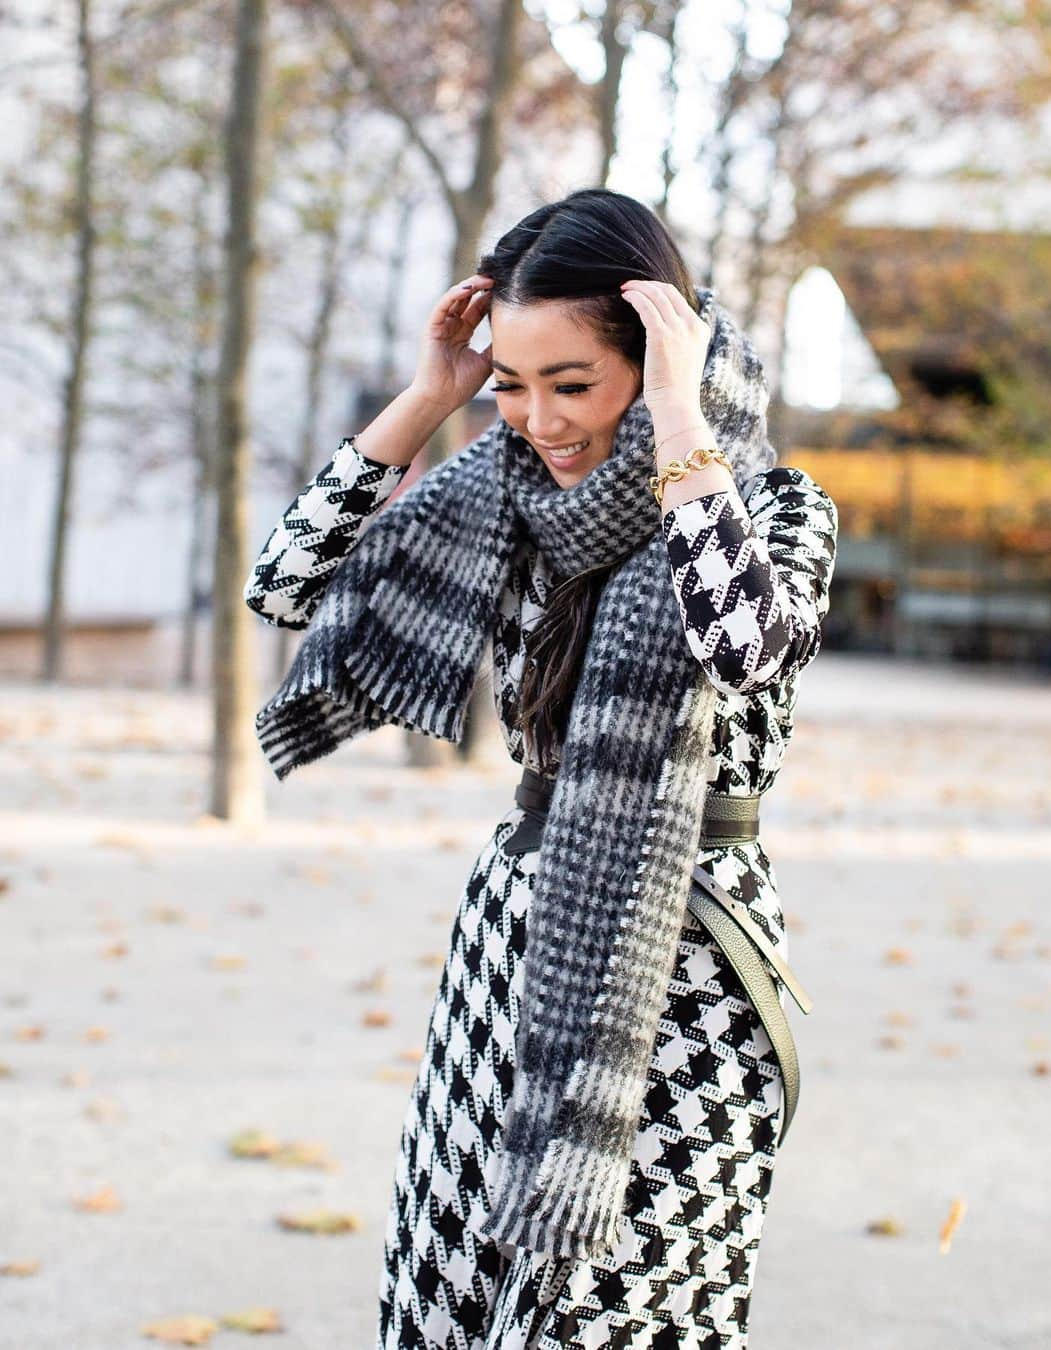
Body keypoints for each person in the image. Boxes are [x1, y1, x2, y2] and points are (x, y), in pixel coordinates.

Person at [243, 187, 838, 1350]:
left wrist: (679, 421)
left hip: (691, 962)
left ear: (658, 359)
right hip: (511, 939)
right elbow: (285, 586)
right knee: (461, 1287)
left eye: (573, 384)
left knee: (627, 1310)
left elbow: (744, 644)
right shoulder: (501, 501)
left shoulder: (772, 507)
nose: (539, 420)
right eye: (513, 384)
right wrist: (430, 399)